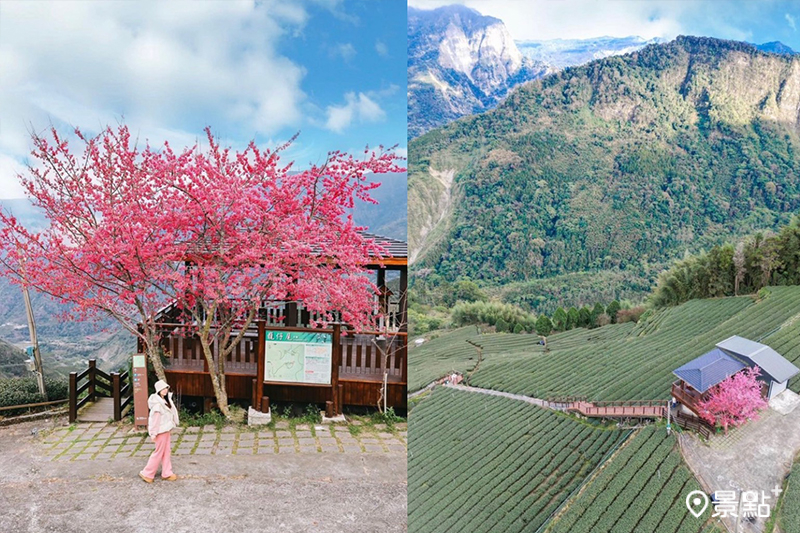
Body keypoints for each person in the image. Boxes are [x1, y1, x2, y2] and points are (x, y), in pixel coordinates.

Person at [139, 379, 180, 483]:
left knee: (167, 452)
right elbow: (154, 421)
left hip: (166, 430)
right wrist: (153, 433)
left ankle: (167, 472)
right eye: (162, 388)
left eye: (166, 388)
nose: (165, 390)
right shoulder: (158, 405)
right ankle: (147, 473)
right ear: (158, 390)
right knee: (158, 452)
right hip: (160, 432)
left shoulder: (166, 401)